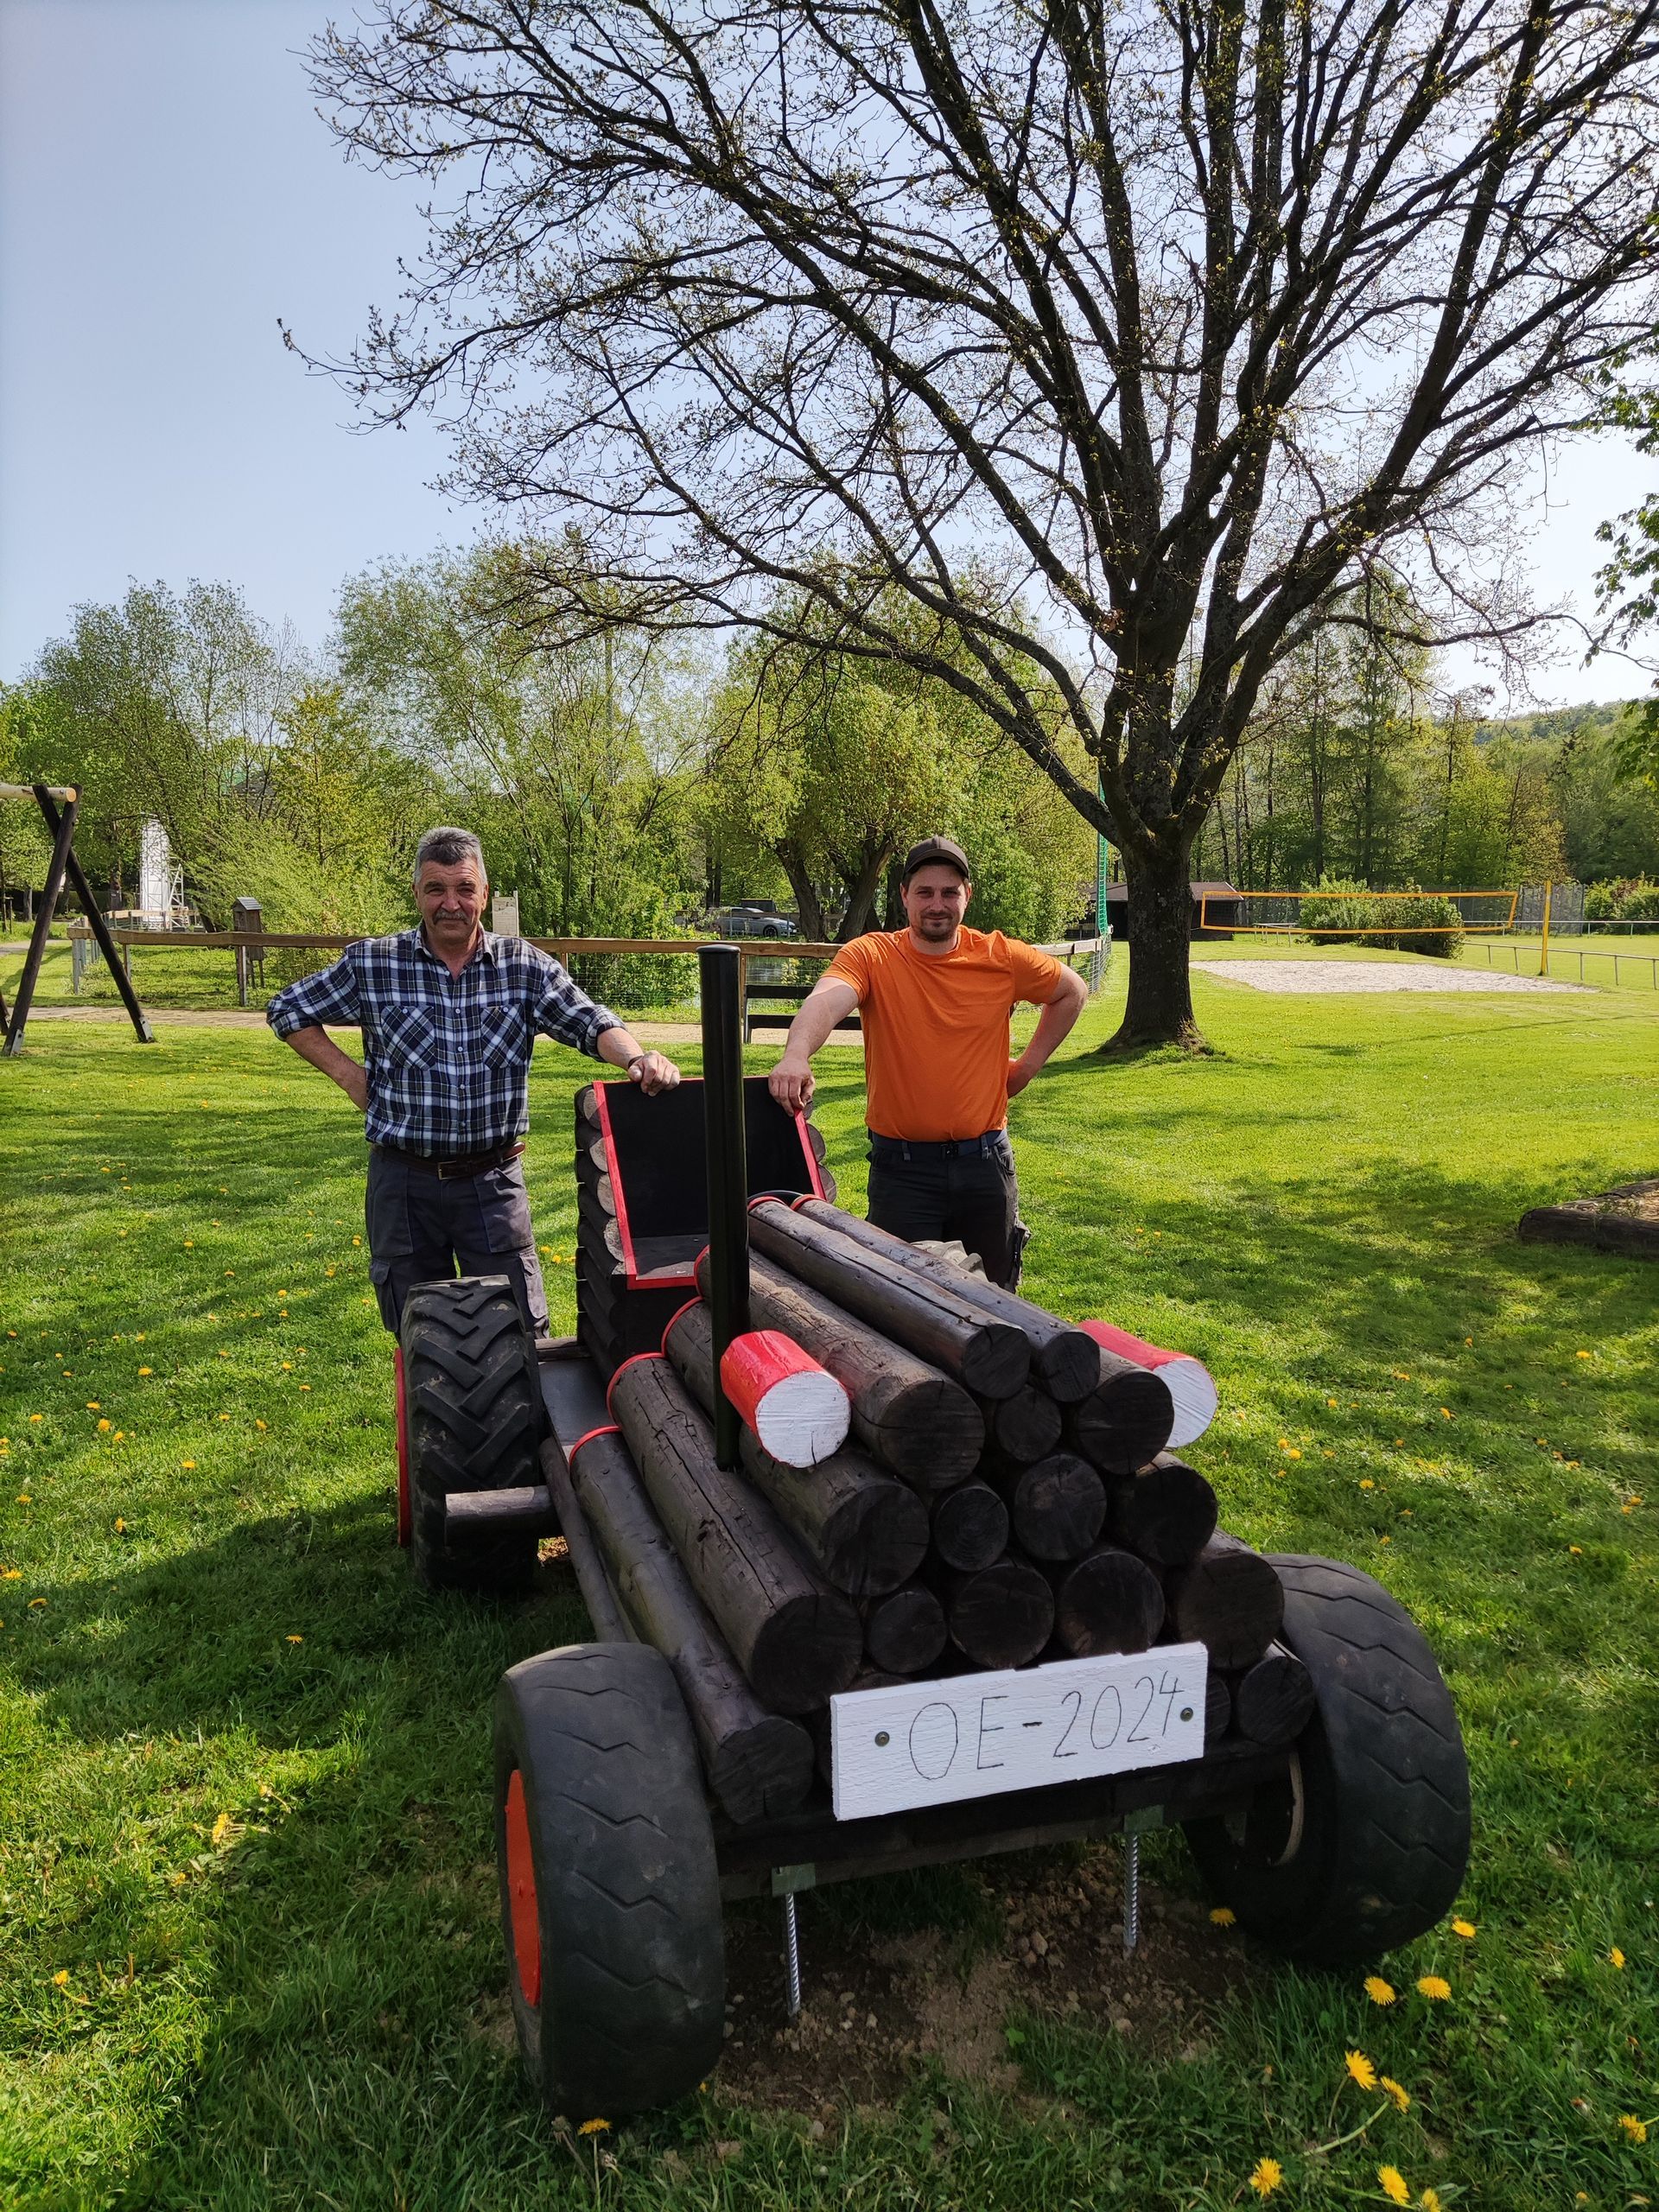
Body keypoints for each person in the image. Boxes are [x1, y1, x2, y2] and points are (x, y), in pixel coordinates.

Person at [267, 826, 679, 1335]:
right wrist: (351, 1076)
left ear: (484, 894)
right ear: (417, 893)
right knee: (418, 1331)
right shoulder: (372, 963)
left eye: (464, 889)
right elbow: (288, 1009)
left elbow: (589, 1022)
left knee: (522, 1332)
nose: (451, 904)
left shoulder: (523, 966)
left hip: (492, 1183)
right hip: (404, 1185)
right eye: (436, 889)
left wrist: (638, 1059)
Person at [767, 836, 1086, 1287]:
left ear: (966, 896)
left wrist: (1027, 1068)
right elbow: (827, 999)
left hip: (985, 1167)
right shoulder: (871, 955)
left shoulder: (1000, 956)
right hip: (902, 1174)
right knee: (903, 1306)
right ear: (904, 896)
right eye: (925, 892)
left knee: (996, 1303)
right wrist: (796, 1054)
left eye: (949, 892)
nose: (937, 904)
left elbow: (1071, 991)